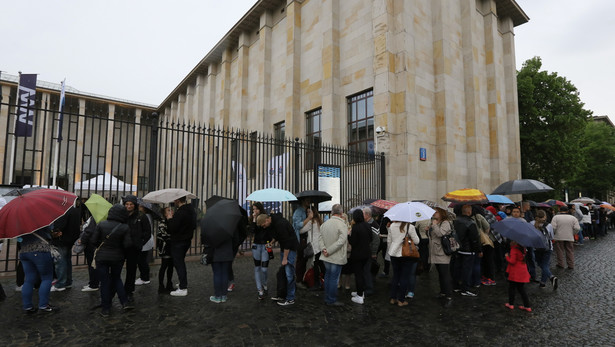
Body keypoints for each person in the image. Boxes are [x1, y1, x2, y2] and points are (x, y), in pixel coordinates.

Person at [90, 204, 133, 317]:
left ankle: (106, 309)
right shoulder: (125, 227)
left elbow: (93, 241)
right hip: (117, 257)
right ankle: (124, 302)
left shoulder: (101, 224)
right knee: (117, 278)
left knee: (104, 282)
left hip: (102, 257)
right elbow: (128, 244)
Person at [257, 213, 299, 306]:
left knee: (289, 274)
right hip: (286, 249)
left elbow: (287, 241)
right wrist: (272, 242)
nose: (264, 227)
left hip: (289, 250)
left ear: (267, 220)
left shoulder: (280, 224)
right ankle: (283, 295)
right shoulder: (275, 223)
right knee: (283, 273)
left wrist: (285, 258)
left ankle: (290, 298)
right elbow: (278, 235)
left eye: (263, 225)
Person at [18, 227, 57, 313]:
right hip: (40, 250)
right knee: (46, 278)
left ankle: (27, 306)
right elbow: (50, 229)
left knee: (28, 280)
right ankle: (43, 305)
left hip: (24, 251)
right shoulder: (39, 216)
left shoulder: (19, 220)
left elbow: (19, 238)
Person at [123, 195, 151, 302]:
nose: (129, 206)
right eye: (127, 204)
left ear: (135, 205)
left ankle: (129, 290)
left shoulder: (141, 216)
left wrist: (140, 242)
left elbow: (147, 232)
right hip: (122, 246)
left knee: (131, 269)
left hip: (134, 247)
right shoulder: (122, 215)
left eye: (131, 204)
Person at [318, 204, 348, 306]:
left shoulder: (325, 224)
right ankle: (331, 299)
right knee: (334, 279)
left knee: (328, 276)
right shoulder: (342, 225)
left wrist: (324, 249)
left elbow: (320, 238)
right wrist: (329, 250)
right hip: (336, 256)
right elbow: (341, 241)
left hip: (326, 256)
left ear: (332, 212)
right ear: (341, 213)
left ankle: (327, 297)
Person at [167, 196, 197, 297]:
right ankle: (182, 282)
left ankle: (183, 287)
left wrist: (170, 219)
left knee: (179, 264)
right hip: (186, 240)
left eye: (174, 200)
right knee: (180, 263)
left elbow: (172, 228)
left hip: (178, 241)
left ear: (177, 200)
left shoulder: (180, 213)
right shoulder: (191, 210)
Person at [387, 219, 420, 307]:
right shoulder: (410, 227)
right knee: (404, 277)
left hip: (394, 254)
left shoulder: (392, 226)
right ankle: (401, 300)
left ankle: (393, 298)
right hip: (406, 254)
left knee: (396, 276)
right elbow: (417, 241)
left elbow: (389, 241)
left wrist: (391, 249)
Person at [50, 204, 82, 291]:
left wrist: (53, 232)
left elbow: (59, 227)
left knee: (60, 262)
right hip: (70, 239)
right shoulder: (74, 210)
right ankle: (68, 282)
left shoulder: (63, 211)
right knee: (67, 261)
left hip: (62, 240)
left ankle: (60, 284)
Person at [452, 204, 482, 297]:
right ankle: (465, 288)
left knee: (457, 268)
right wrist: (479, 250)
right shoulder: (470, 223)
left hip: (458, 248)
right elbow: (474, 239)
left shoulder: (455, 221)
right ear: (469, 212)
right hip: (468, 250)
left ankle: (456, 286)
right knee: (467, 270)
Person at [203, 222, 235, 304]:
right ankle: (224, 295)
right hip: (227, 253)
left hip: (215, 253)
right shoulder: (229, 225)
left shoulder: (211, 226)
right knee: (225, 274)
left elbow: (206, 239)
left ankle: (218, 296)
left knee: (217, 274)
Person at [428, 207, 454, 304]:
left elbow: (440, 234)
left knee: (445, 274)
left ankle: (448, 294)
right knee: (440, 274)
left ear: (441, 213)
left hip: (442, 252)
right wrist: (429, 229)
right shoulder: (435, 222)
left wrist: (434, 226)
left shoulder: (445, 223)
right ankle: (443, 292)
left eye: (436, 212)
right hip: (435, 251)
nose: (434, 213)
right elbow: (432, 236)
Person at [348, 209, 372, 304]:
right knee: (362, 273)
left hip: (357, 254)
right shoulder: (367, 225)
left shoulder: (356, 227)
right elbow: (370, 238)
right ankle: (360, 292)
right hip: (366, 253)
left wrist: (349, 235)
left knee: (358, 275)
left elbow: (352, 242)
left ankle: (359, 296)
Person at [249, 202, 271, 299]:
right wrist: (254, 219)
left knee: (264, 269)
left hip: (265, 245)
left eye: (256, 209)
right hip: (256, 246)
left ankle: (264, 283)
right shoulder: (252, 219)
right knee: (257, 267)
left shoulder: (266, 218)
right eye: (253, 209)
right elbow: (252, 231)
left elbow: (268, 230)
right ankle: (260, 290)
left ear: (260, 209)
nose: (255, 211)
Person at [532, 210, 558, 290]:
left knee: (541, 264)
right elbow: (551, 237)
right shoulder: (549, 225)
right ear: (545, 216)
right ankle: (549, 278)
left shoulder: (531, 224)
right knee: (545, 265)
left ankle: (544, 282)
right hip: (548, 248)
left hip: (536, 248)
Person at [300, 205, 324, 290]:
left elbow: (301, 230)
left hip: (314, 246)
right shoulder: (318, 221)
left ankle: (316, 284)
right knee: (320, 264)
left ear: (313, 212)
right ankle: (323, 281)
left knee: (315, 265)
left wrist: (305, 220)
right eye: (307, 212)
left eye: (309, 212)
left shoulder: (311, 222)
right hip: (320, 246)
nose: (307, 214)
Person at [504, 241, 532, 312]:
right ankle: (527, 306)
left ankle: (511, 304)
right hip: (523, 271)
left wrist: (507, 257)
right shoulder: (523, 249)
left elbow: (512, 261)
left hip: (515, 271)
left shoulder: (514, 249)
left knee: (512, 288)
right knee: (521, 289)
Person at [551, 205, 580, 270]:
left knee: (560, 251)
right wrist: (573, 233)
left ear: (560, 210)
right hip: (569, 237)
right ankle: (571, 264)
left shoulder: (555, 217)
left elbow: (553, 227)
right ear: (567, 211)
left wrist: (555, 233)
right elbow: (577, 228)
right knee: (570, 251)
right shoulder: (573, 218)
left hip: (559, 237)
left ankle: (561, 264)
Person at [135, 201, 156, 286]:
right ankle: (144, 277)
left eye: (140, 206)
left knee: (142, 261)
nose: (139, 207)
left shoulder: (145, 216)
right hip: (146, 240)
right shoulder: (147, 215)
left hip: (145, 241)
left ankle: (145, 278)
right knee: (142, 260)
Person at [77, 216, 100, 292]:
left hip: (91, 245)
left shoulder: (94, 218)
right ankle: (93, 283)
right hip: (96, 245)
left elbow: (89, 231)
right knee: (93, 265)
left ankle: (93, 284)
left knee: (92, 265)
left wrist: (82, 240)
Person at [362, 207, 380, 295]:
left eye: (363, 214)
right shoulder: (366, 223)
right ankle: (367, 286)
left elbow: (376, 240)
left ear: (367, 215)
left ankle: (369, 288)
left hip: (370, 252)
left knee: (368, 270)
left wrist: (373, 252)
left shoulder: (374, 225)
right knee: (366, 270)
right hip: (366, 251)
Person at [156, 207, 174, 293]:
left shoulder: (172, 221)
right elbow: (165, 236)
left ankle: (169, 284)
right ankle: (161, 286)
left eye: (171, 210)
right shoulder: (162, 223)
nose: (171, 211)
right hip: (165, 248)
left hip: (172, 248)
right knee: (164, 266)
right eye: (169, 210)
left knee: (171, 267)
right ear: (165, 214)